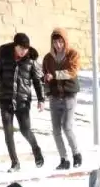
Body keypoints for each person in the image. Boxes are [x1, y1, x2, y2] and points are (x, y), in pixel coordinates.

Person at [0, 32, 45, 171]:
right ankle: (15, 162)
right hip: (6, 100)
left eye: (26, 49)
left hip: (23, 101)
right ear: (15, 46)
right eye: (21, 48)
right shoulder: (3, 57)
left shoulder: (31, 60)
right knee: (8, 133)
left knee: (25, 130)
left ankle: (36, 149)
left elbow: (37, 81)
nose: (23, 51)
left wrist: (41, 99)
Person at [41, 28, 82, 170]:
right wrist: (46, 87)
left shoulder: (72, 54)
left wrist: (55, 75)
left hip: (69, 95)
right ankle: (64, 159)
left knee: (67, 126)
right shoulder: (48, 58)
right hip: (54, 96)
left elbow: (72, 71)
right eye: (55, 42)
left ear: (65, 41)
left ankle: (76, 154)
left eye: (60, 42)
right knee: (56, 130)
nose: (58, 45)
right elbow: (45, 76)